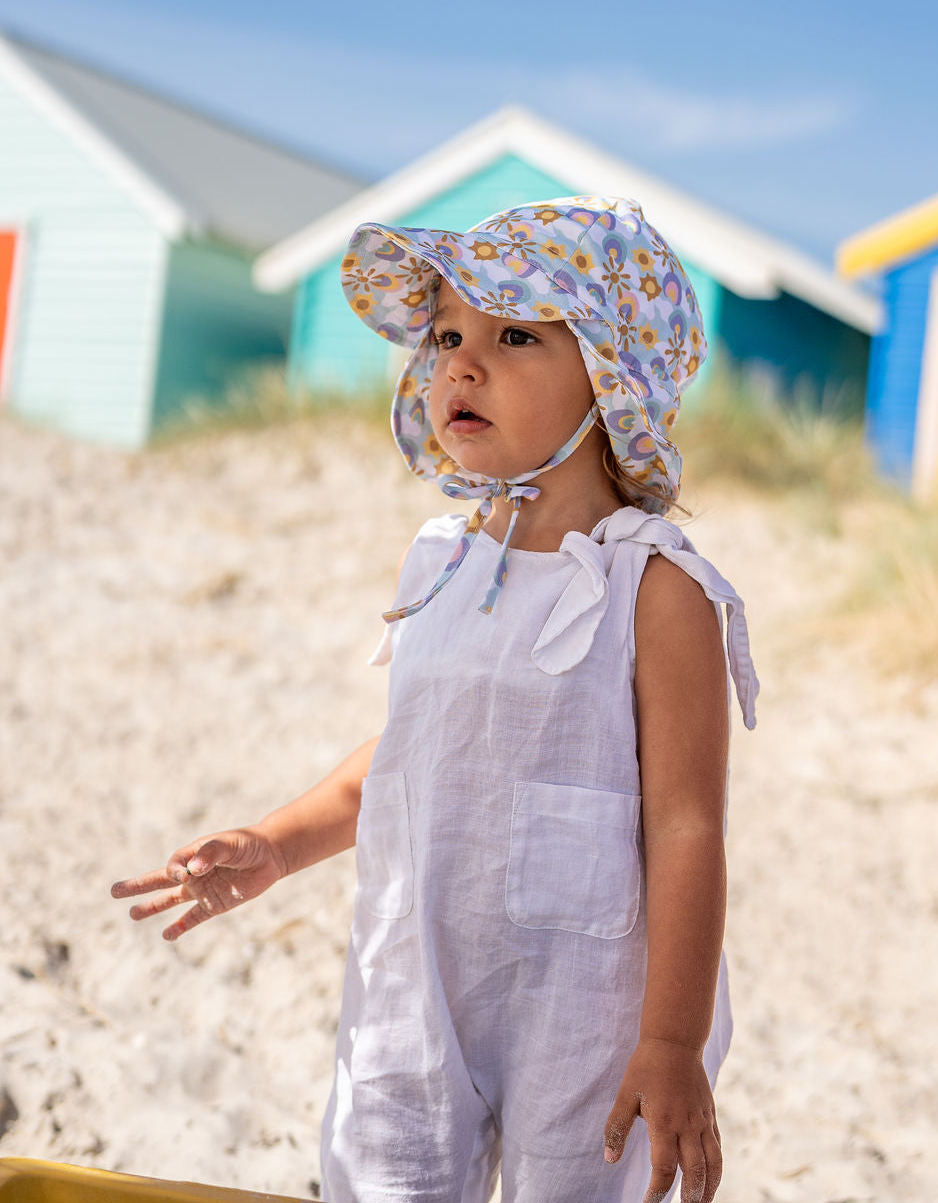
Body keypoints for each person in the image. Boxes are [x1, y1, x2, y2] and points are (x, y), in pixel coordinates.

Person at [112, 195, 758, 1203]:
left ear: (610, 377)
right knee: (384, 1177)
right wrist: (278, 843)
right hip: (413, 971)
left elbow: (685, 825)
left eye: (511, 335)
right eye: (447, 334)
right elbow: (412, 755)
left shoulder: (657, 588)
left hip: (590, 1004)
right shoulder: (444, 561)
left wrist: (670, 1041)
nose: (459, 362)